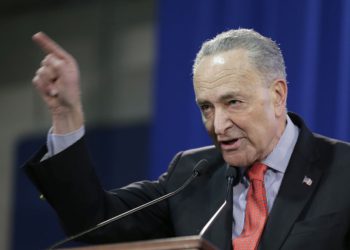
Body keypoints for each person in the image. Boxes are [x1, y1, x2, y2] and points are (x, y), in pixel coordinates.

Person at [25, 29, 350, 250]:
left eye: (233, 102)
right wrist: (66, 115)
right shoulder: (192, 174)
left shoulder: (343, 170)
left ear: (278, 95)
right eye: (206, 107)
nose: (219, 125)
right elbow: (92, 220)